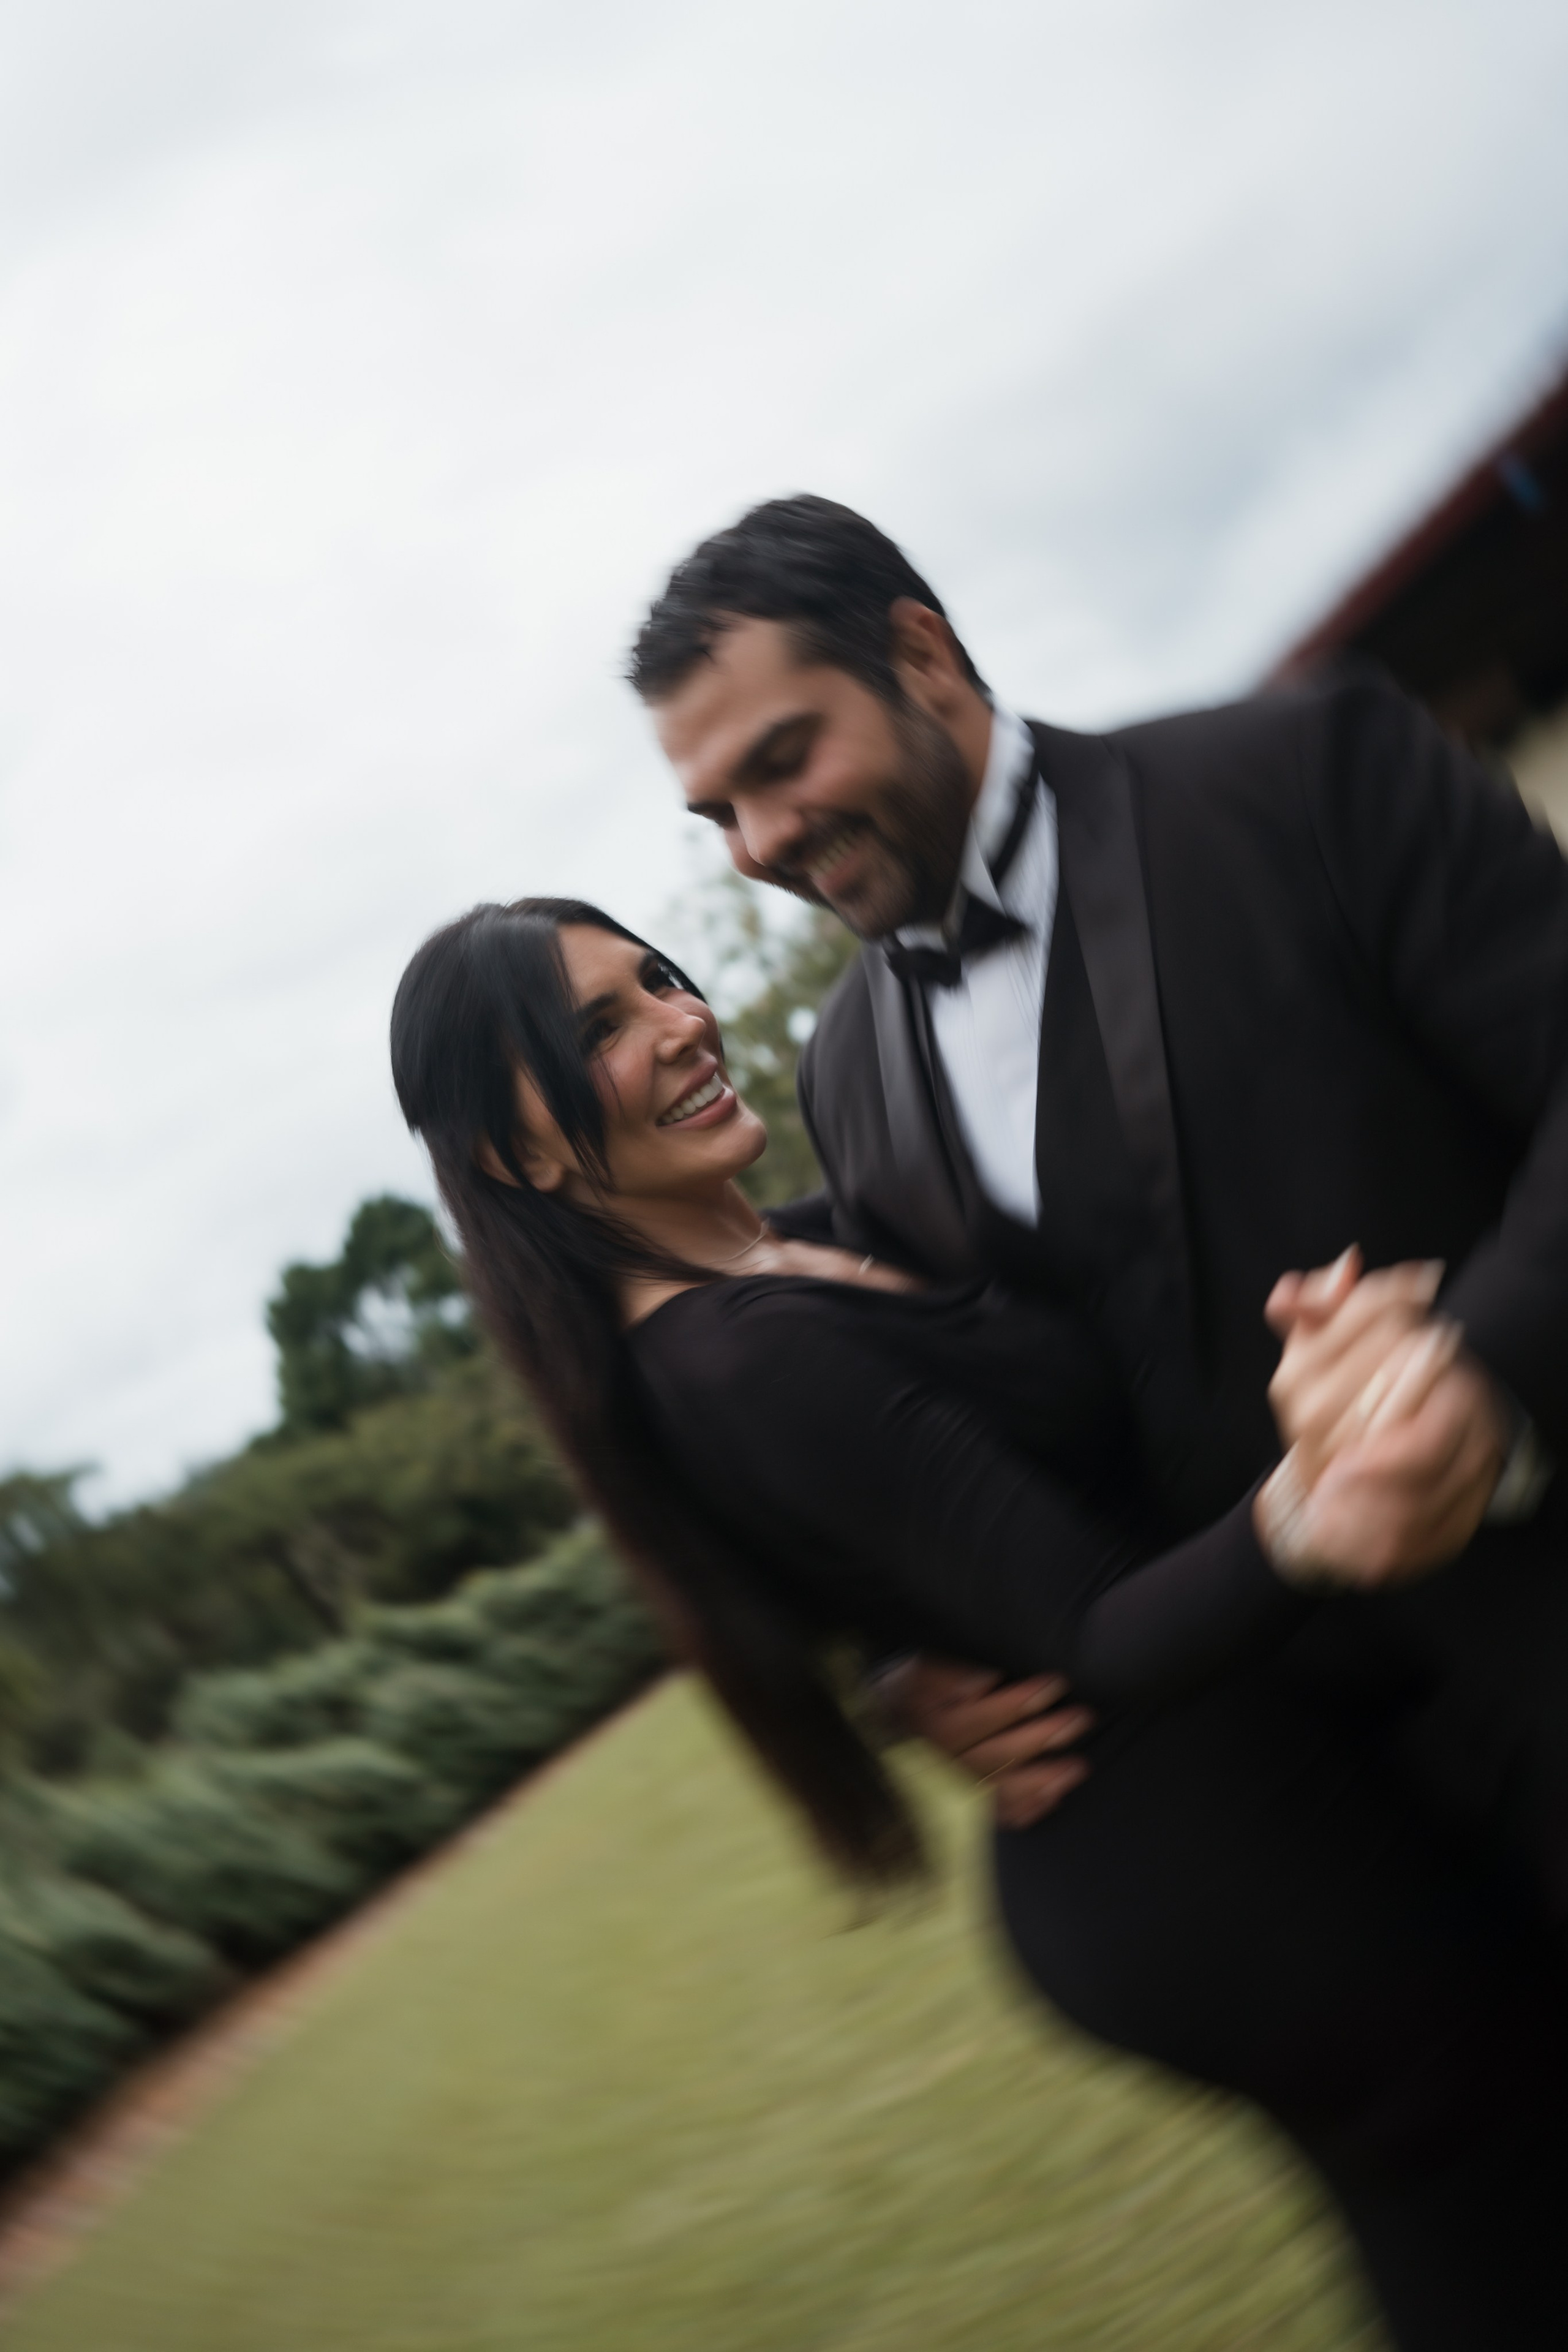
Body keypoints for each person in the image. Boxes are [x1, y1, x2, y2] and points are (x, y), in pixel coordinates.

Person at [392, 897, 1568, 2350]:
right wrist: (1317, 1500)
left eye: (658, 980)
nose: (683, 1024)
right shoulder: (732, 1359)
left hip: (1226, 1814)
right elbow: (1097, 1624)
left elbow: (910, 1529)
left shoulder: (795, 1248)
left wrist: (899, 1660)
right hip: (1217, 1866)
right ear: (516, 1155)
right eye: (599, 1031)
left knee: (1480, 2233)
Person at [628, 494, 1568, 1905]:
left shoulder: (1303, 771)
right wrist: (905, 1653)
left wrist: (1474, 1380)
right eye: (717, 814)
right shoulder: (843, 1074)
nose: (756, 843)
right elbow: (938, 1403)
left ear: (920, 655)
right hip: (1323, 1824)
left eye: (781, 759)